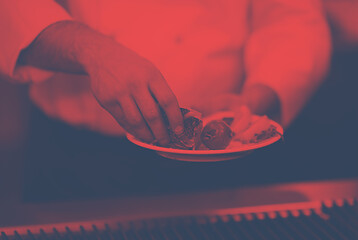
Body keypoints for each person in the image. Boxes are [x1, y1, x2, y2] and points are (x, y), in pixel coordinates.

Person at [0, 0, 331, 145]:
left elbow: (293, 15)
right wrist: (92, 51)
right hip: (80, 157)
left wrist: (262, 92)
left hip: (225, 149)